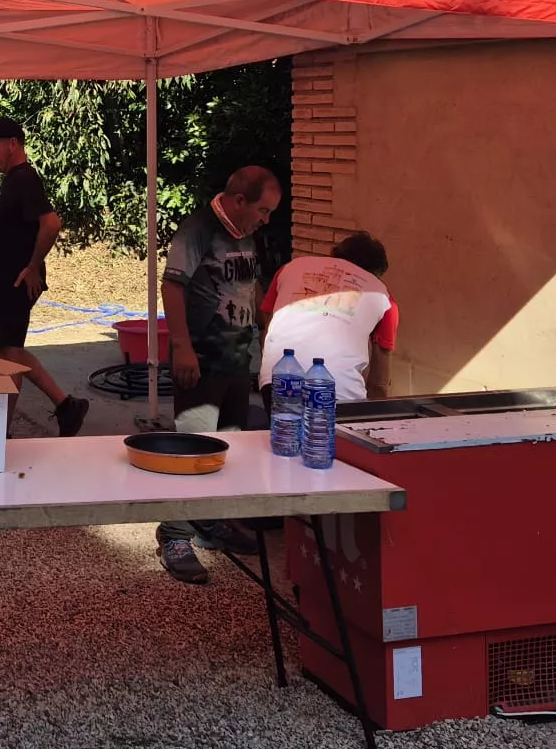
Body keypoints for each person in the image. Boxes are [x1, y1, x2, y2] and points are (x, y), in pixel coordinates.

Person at [155, 164, 282, 585]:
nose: (266, 220)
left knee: (228, 448)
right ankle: (174, 534)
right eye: (263, 210)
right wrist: (181, 347)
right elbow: (171, 287)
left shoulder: (247, 232)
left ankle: (212, 523)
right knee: (189, 449)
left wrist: (264, 330)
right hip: (202, 358)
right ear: (239, 199)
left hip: (236, 358)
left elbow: (252, 285)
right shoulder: (198, 230)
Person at [0, 118, 90, 437]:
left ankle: (5, 430)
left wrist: (32, 265)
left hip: (14, 282)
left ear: (14, 143)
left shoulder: (24, 179)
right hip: (3, 282)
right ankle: (66, 406)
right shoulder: (14, 180)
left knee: (10, 354)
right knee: (9, 352)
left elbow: (51, 223)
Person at [257, 231, 397, 404]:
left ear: (333, 253)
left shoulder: (292, 268)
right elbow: (379, 381)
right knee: (327, 432)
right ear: (376, 273)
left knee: (284, 431)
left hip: (277, 380)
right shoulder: (383, 296)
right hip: (338, 392)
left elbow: (267, 325)